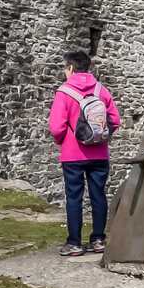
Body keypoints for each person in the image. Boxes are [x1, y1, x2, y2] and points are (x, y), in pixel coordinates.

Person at [47, 49, 121, 256]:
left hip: (73, 155)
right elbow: (115, 120)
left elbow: (56, 127)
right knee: (98, 195)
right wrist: (101, 137)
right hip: (99, 154)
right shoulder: (101, 90)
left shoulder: (64, 92)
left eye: (65, 68)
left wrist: (64, 141)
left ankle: (74, 243)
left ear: (70, 68)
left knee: (74, 198)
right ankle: (98, 240)